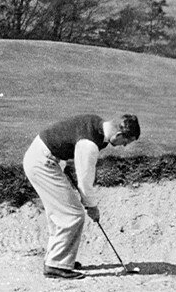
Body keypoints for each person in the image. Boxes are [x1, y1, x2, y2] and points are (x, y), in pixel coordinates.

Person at [22, 114, 141, 279]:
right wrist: (91, 206)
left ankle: (59, 258)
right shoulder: (89, 144)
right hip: (42, 163)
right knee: (72, 214)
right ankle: (56, 265)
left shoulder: (96, 123)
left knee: (63, 212)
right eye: (126, 141)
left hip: (45, 159)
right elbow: (85, 182)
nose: (125, 146)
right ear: (118, 135)